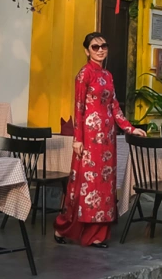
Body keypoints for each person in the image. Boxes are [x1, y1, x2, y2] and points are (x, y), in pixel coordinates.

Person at [54, 33, 148, 247]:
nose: (100, 50)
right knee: (87, 185)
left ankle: (98, 234)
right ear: (87, 50)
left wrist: (130, 128)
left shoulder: (107, 75)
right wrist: (77, 140)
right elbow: (78, 109)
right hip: (88, 139)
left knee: (104, 185)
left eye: (103, 46)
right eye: (95, 47)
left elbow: (114, 106)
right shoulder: (84, 75)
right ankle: (65, 228)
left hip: (107, 139)